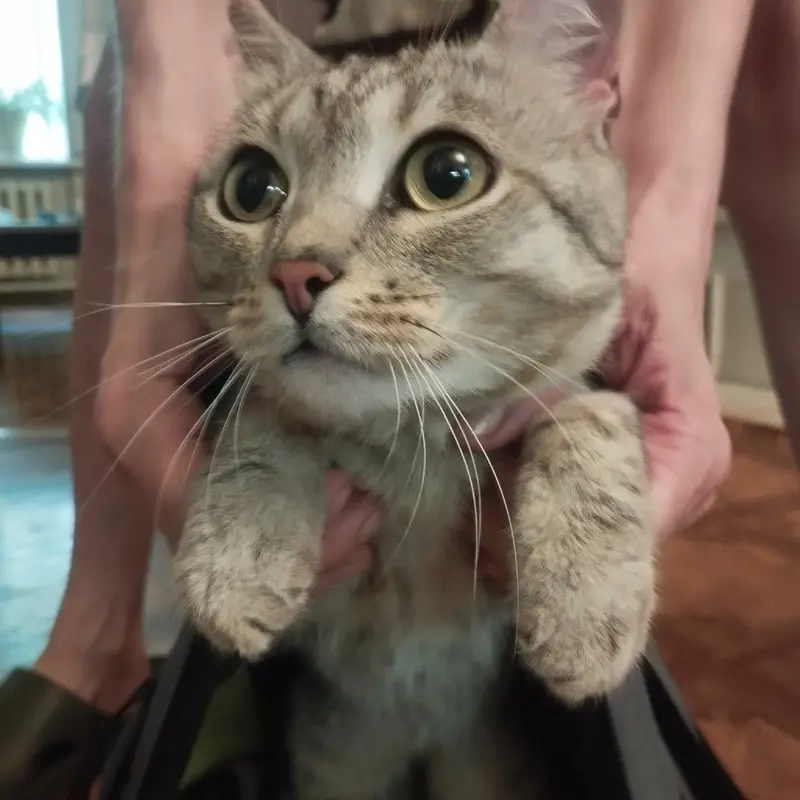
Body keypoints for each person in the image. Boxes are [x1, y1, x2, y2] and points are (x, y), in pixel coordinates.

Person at [1, 0, 798, 796]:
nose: (303, 262)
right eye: (256, 190)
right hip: (329, 727)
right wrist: (254, 458)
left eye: (444, 175)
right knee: (131, 94)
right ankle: (97, 638)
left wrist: (594, 436)